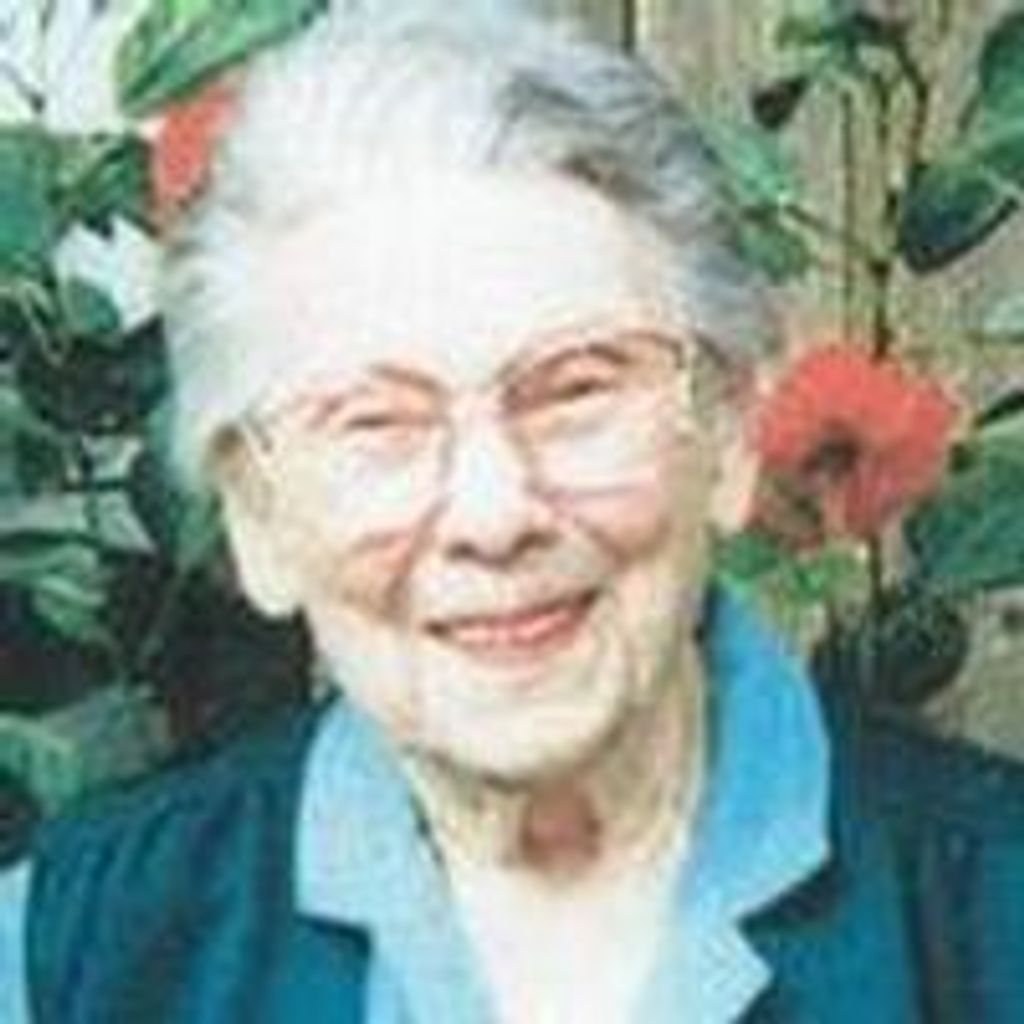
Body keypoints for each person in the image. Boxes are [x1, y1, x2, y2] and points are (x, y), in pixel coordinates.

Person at [3, 4, 1024, 1022]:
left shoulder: (992, 916)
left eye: (576, 389)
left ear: (724, 432)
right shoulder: (67, 961)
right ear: (258, 516)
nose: (495, 515)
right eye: (375, 422)